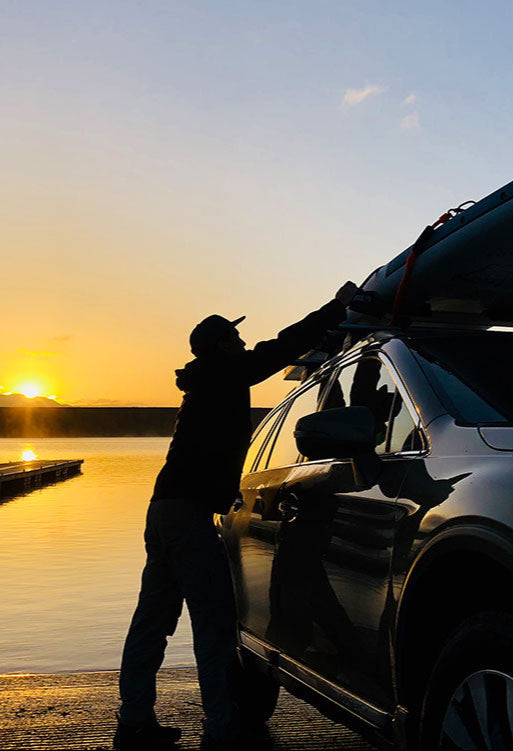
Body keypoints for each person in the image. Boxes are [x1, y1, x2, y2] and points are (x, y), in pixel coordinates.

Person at [113, 282, 360, 750]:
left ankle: (133, 724)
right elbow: (283, 345)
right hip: (185, 516)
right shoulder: (226, 373)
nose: (245, 344)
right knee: (215, 624)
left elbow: (274, 347)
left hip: (163, 510)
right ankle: (222, 729)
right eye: (237, 338)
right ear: (224, 344)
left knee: (151, 621)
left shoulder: (206, 379)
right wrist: (338, 307)